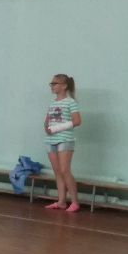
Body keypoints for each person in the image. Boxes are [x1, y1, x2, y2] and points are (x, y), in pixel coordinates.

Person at [44, 73, 81, 212]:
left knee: (65, 170)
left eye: (55, 83)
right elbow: (47, 120)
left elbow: (77, 121)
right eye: (51, 83)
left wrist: (56, 128)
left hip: (65, 139)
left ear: (64, 86)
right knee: (57, 171)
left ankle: (75, 202)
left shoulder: (70, 102)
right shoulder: (52, 103)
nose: (52, 86)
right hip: (51, 140)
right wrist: (47, 128)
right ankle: (61, 202)